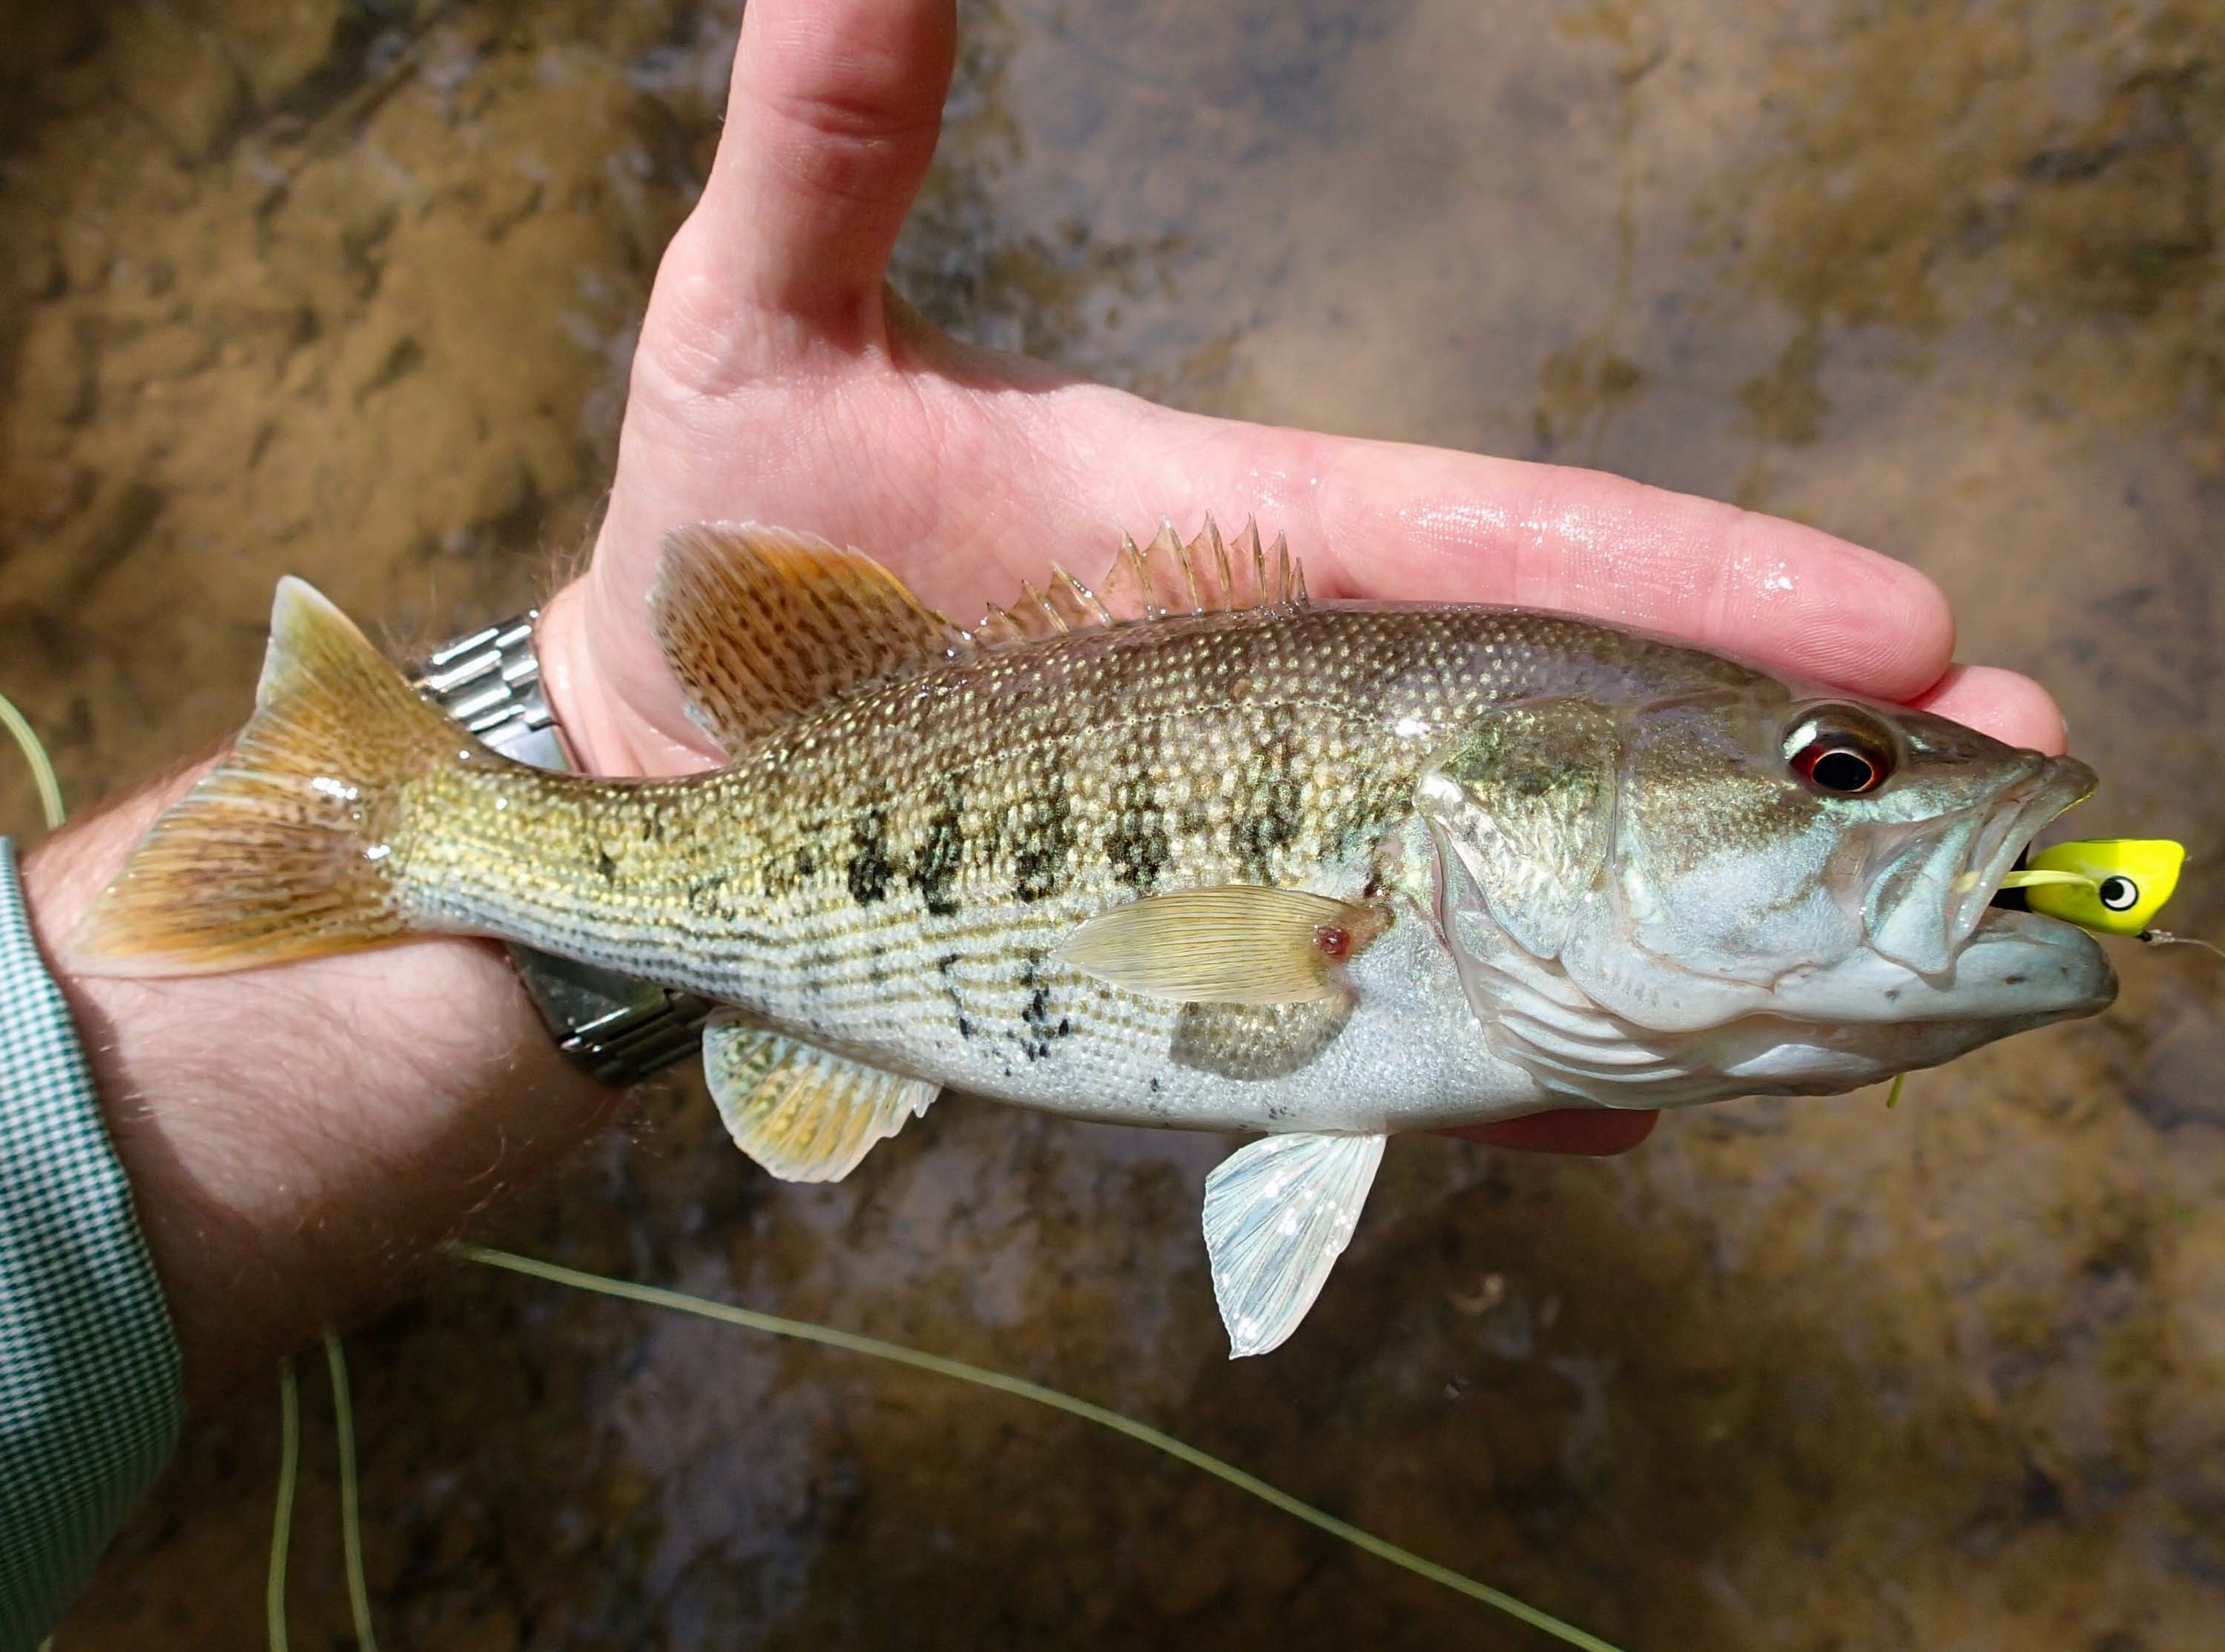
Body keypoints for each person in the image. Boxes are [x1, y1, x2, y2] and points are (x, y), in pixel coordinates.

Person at [0, 0, 2066, 1642]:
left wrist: (579, 732)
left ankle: (418, 818)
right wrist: (566, 743)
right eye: (1834, 777)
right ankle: (409, 821)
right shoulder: (1419, 888)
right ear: (1504, 806)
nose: (1862, 801)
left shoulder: (1486, 899)